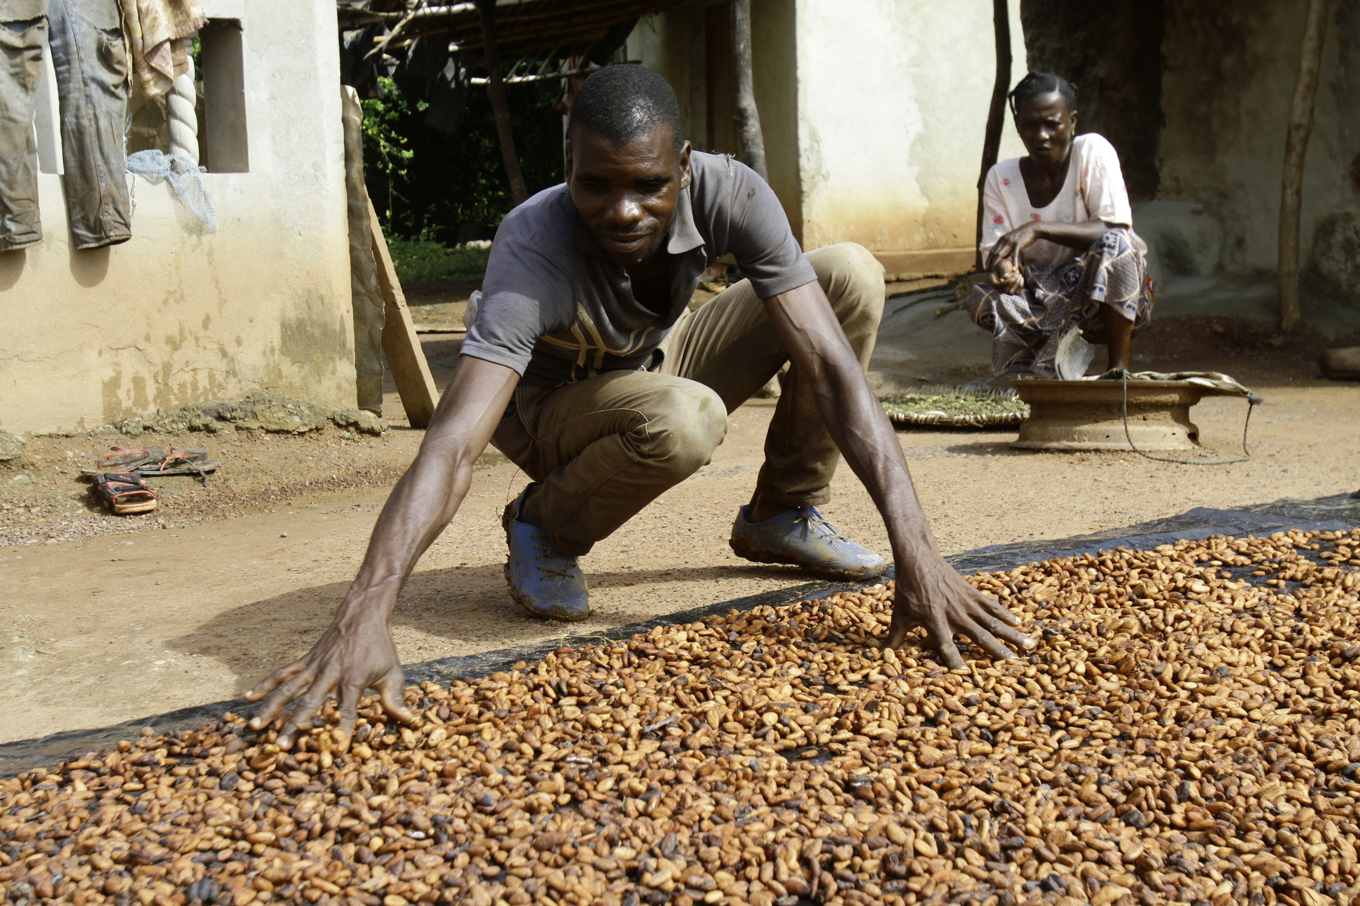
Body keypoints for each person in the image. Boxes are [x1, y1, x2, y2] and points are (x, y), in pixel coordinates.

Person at [246, 65, 1033, 748]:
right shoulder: (532, 247)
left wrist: (918, 554)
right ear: (570, 169)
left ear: (685, 168)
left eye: (648, 186)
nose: (623, 211)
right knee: (684, 418)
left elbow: (829, 367)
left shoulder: (732, 193)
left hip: (661, 358)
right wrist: (366, 610)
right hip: (555, 405)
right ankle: (544, 523)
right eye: (597, 185)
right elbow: (451, 445)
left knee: (848, 276)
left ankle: (783, 512)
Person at [966, 72, 1152, 379]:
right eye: (1030, 125)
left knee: (1118, 244)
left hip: (1105, 295)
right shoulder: (1002, 178)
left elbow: (1112, 228)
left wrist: (1037, 228)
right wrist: (1006, 272)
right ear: (1018, 127)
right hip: (1045, 297)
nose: (1041, 135)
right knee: (982, 298)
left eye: (1052, 124)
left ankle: (1119, 370)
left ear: (1073, 121)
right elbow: (997, 252)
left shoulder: (1092, 151)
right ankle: (1042, 368)